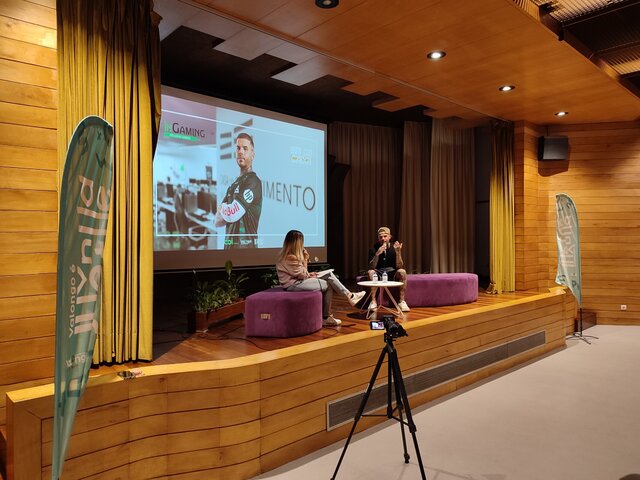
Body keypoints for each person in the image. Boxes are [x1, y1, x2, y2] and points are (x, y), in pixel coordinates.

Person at [276, 230, 365, 327]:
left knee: (328, 276)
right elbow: (303, 275)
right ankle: (347, 299)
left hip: (297, 281)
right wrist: (305, 259)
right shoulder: (291, 257)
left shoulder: (287, 255)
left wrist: (309, 274)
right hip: (293, 285)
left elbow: (301, 274)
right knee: (328, 282)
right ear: (296, 243)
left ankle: (333, 311)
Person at [215, 132, 262, 249]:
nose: (240, 152)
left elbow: (232, 215)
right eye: (238, 148)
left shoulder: (254, 181)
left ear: (252, 155)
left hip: (246, 252)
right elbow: (217, 220)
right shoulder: (233, 185)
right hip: (229, 250)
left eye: (245, 148)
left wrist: (224, 208)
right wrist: (225, 209)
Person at [367, 226, 410, 312]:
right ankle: (373, 301)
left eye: (385, 236)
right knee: (370, 272)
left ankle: (401, 301)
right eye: (380, 237)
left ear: (390, 237)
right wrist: (377, 254)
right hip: (378, 272)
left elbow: (399, 266)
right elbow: (372, 267)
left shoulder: (394, 248)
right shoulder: (373, 248)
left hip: (391, 272)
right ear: (378, 238)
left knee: (402, 272)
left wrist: (398, 252)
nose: (383, 239)